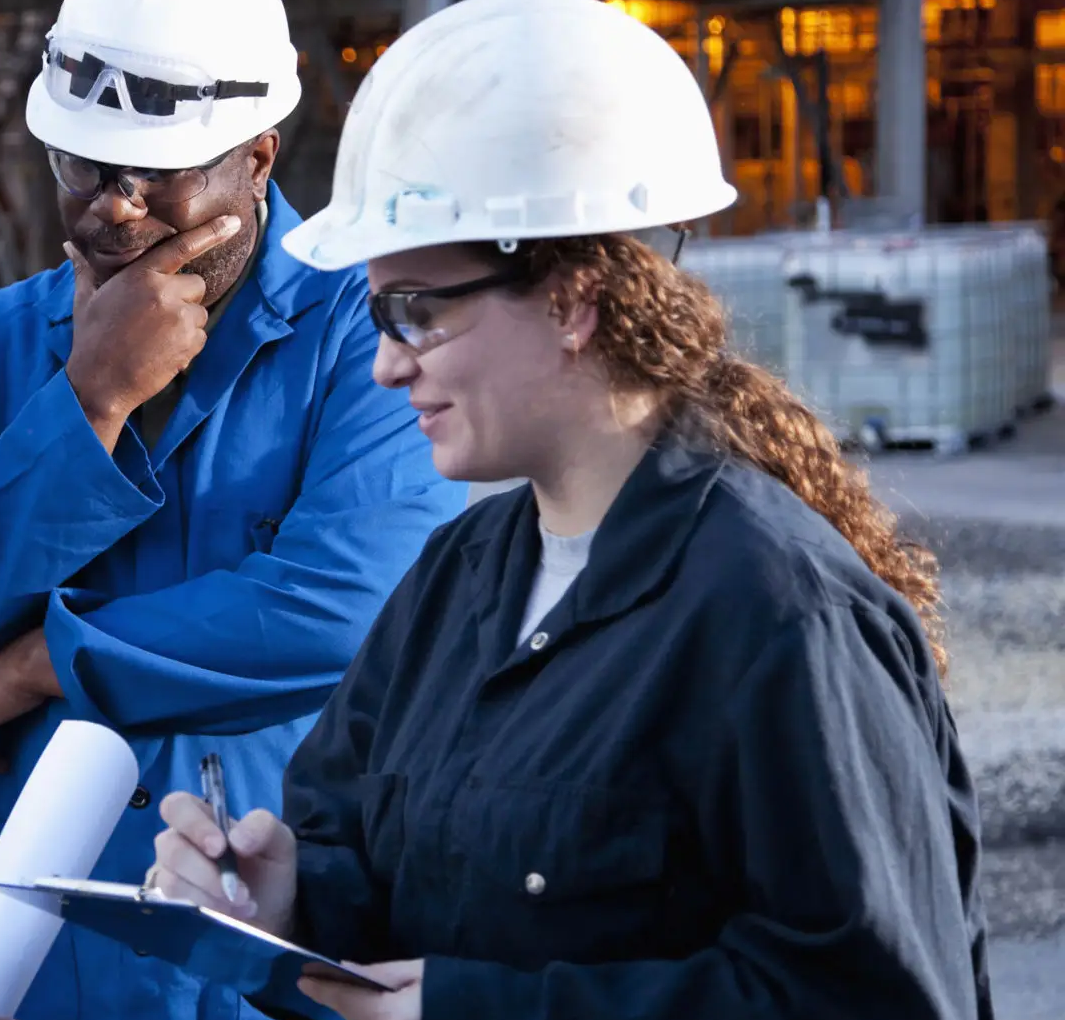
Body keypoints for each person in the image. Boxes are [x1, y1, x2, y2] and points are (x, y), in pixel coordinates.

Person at [148, 2, 994, 1019]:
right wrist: (282, 899)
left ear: (572, 299)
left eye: (413, 310)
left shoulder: (776, 617)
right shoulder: (456, 586)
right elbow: (370, 866)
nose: (382, 363)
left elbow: (876, 998)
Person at [0, 0, 467, 1016]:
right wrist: (86, 403)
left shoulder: (362, 333)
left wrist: (44, 661)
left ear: (258, 156)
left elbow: (343, 604)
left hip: (284, 929)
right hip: (51, 955)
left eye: (156, 175)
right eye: (85, 167)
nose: (113, 207)